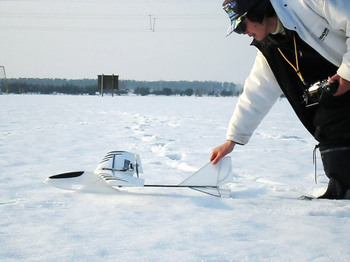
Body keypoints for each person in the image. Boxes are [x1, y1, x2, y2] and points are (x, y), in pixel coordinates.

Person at [211, 0, 350, 199]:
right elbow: (256, 93)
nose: (243, 33)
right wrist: (232, 139)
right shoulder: (270, 48)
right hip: (339, 95)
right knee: (328, 120)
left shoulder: (306, 4)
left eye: (241, 26)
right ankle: (343, 187)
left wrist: (347, 73)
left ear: (257, 11)